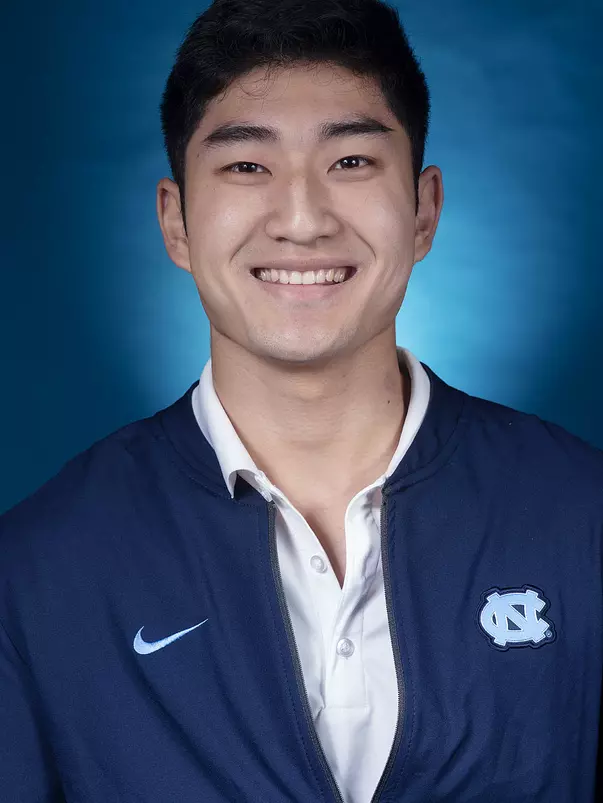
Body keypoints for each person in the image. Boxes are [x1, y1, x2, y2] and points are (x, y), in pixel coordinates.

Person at [1, 0, 602, 800]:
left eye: (350, 161)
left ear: (423, 209)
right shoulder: (38, 571)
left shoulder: (581, 514)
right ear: (175, 222)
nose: (302, 219)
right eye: (247, 166)